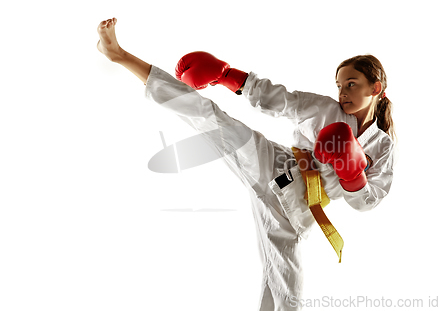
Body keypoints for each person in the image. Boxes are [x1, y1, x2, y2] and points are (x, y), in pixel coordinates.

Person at [97, 17, 396, 311]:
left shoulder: (381, 146)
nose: (342, 92)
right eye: (339, 85)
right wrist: (226, 74)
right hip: (274, 164)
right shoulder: (325, 109)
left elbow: (367, 202)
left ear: (375, 88)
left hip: (295, 212)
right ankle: (120, 55)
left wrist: (352, 171)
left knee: (288, 296)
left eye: (351, 84)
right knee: (210, 117)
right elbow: (282, 101)